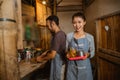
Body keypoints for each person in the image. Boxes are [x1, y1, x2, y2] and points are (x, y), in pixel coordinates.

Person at [66, 12, 95, 80]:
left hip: (85, 68)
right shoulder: (69, 36)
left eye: (79, 22)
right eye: (74, 22)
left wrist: (88, 55)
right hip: (72, 68)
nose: (77, 25)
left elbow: (93, 52)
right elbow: (66, 50)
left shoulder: (90, 37)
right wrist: (67, 54)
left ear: (84, 22)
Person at [37, 15, 66, 80]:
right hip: (57, 63)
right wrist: (47, 52)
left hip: (59, 64)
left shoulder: (58, 35)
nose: (48, 28)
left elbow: (52, 55)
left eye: (48, 26)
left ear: (53, 23)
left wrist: (41, 59)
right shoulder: (59, 34)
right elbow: (56, 48)